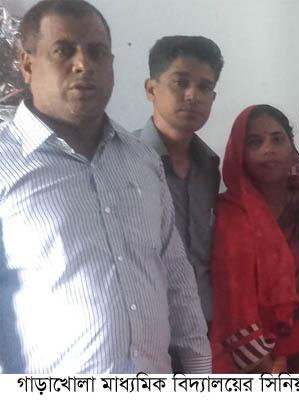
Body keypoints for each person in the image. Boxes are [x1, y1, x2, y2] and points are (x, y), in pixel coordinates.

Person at [0, 0, 209, 373]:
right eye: (63, 50)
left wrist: (199, 372)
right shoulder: (6, 162)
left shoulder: (142, 160)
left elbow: (177, 278)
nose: (83, 64)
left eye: (97, 52)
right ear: (27, 66)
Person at [210, 105, 299, 374]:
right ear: (239, 153)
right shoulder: (231, 214)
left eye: (277, 139)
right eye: (255, 142)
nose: (268, 149)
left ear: (291, 148)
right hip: (255, 359)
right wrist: (267, 363)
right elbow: (232, 300)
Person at [134, 35, 224, 330]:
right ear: (151, 89)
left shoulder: (209, 166)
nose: (192, 96)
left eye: (205, 87)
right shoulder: (125, 161)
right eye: (180, 82)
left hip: (204, 323)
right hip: (148, 326)